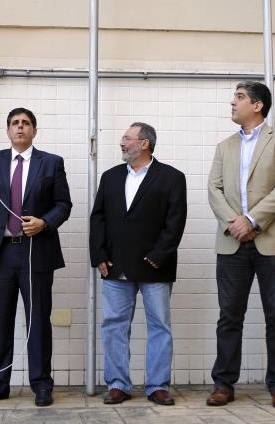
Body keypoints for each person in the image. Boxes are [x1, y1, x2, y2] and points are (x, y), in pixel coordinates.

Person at [0, 107, 72, 407]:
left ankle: (42, 384)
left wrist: (44, 222)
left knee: (38, 321)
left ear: (34, 130)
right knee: (0, 320)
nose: (20, 127)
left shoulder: (51, 163)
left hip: (36, 251)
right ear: (8, 131)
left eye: (26, 123)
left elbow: (63, 204)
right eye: (15, 123)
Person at [206, 81, 275, 409]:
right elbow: (213, 189)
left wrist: (253, 220)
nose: (232, 103)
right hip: (231, 242)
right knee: (229, 316)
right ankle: (223, 383)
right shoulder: (224, 146)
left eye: (239, 97)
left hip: (272, 243)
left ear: (258, 105)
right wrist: (235, 222)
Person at [90, 122, 187, 406]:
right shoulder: (110, 177)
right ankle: (118, 384)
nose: (122, 143)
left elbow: (175, 221)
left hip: (156, 266)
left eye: (127, 138)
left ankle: (157, 386)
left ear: (144, 143)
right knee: (114, 325)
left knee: (160, 326)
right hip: (115, 265)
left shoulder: (171, 177)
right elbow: (99, 218)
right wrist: (99, 255)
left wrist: (159, 255)